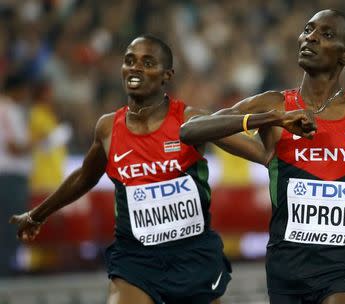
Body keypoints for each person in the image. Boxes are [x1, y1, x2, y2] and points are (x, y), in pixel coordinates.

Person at [9, 35, 304, 304]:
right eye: (129, 61)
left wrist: (283, 132)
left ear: (167, 75)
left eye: (147, 63)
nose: (135, 68)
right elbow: (86, 176)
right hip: (136, 258)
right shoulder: (109, 128)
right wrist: (37, 214)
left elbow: (264, 156)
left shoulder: (190, 121)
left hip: (192, 256)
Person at [180, 9, 345, 304]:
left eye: (326, 34)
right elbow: (190, 130)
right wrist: (270, 119)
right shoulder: (275, 105)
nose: (311, 37)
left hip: (344, 264)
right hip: (286, 266)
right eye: (308, 30)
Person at [0, 73, 33, 276]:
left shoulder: (11, 109)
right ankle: (4, 270)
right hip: (9, 177)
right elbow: (14, 147)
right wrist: (40, 143)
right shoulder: (6, 109)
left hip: (10, 176)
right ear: (18, 89)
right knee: (9, 225)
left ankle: (6, 266)